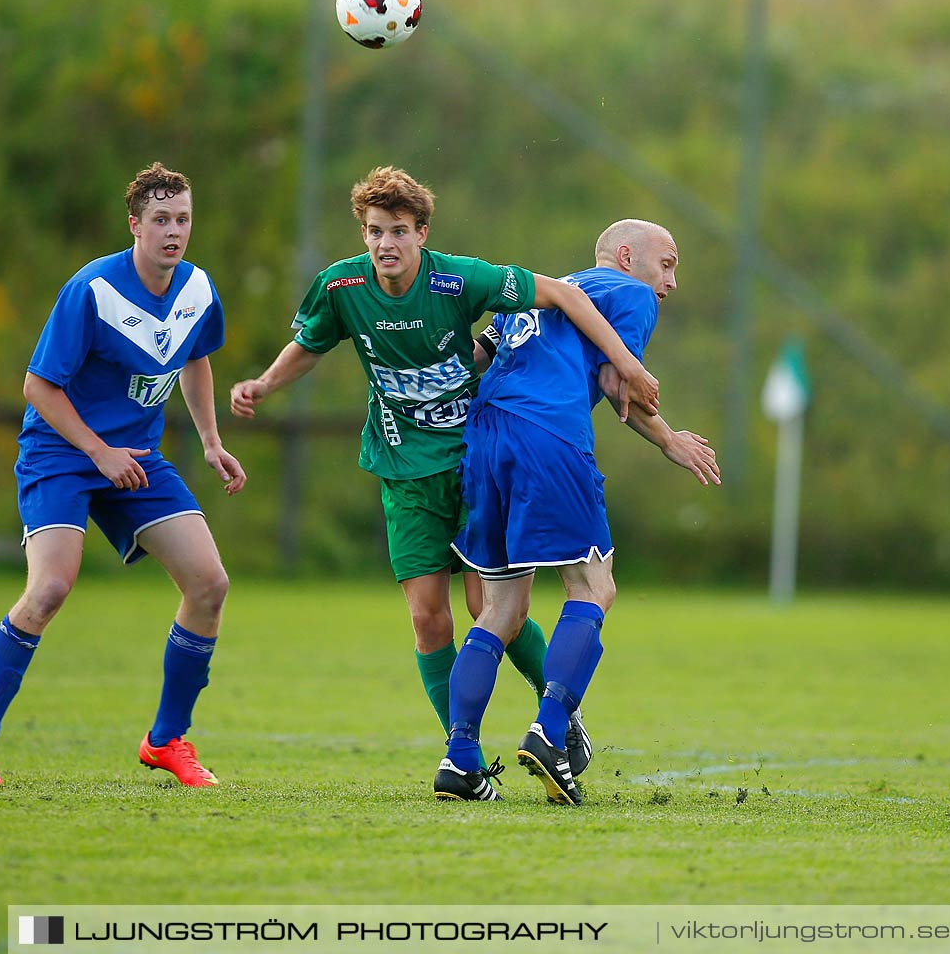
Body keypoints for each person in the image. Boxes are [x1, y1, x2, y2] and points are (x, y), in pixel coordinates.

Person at [230, 167, 659, 770]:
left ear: (422, 233)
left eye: (399, 231)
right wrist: (266, 383)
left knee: (496, 609)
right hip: (404, 469)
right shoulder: (340, 288)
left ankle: (557, 718)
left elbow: (560, 295)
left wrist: (622, 363)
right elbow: (312, 343)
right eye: (374, 232)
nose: (385, 245)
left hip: (472, 458)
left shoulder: (459, 279)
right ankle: (467, 755)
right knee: (429, 619)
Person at [0, 163, 246, 786]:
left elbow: (194, 359)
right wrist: (96, 451)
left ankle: (167, 740)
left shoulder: (197, 289)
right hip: (60, 451)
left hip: (135, 459)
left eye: (183, 219)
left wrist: (212, 441)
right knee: (51, 588)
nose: (174, 231)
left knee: (209, 584)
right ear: (134, 225)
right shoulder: (92, 289)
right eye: (160, 220)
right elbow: (38, 385)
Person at [435, 219, 718, 803]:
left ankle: (460, 759)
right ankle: (552, 730)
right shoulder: (631, 295)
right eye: (666, 263)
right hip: (548, 436)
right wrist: (669, 439)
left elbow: (479, 355)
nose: (670, 282)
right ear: (625, 255)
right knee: (593, 586)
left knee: (502, 609)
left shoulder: (544, 288)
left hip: (486, 438)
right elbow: (621, 382)